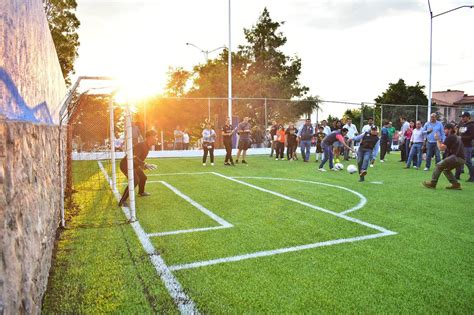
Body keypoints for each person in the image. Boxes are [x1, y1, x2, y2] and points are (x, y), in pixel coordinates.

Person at [118, 130, 157, 207]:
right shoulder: (142, 145)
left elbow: (137, 159)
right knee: (135, 180)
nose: (157, 139)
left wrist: (143, 166)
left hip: (133, 165)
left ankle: (141, 192)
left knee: (143, 178)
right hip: (126, 165)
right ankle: (122, 201)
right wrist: (144, 164)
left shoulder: (147, 146)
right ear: (150, 137)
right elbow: (133, 157)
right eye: (155, 137)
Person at [423, 123, 465, 190]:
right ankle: (455, 184)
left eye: (445, 129)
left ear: (450, 129)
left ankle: (433, 183)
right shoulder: (455, 136)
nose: (444, 131)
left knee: (439, 165)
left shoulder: (450, 136)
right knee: (446, 170)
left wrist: (437, 139)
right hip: (461, 159)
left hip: (456, 157)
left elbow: (441, 148)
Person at [455, 111, 474, 182]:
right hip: (460, 146)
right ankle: (457, 176)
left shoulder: (471, 125)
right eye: (461, 117)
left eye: (463, 117)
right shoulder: (462, 125)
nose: (462, 118)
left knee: (467, 162)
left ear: (468, 117)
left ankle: (472, 177)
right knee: (458, 160)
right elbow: (459, 134)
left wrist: (461, 138)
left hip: (467, 146)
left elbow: (472, 136)